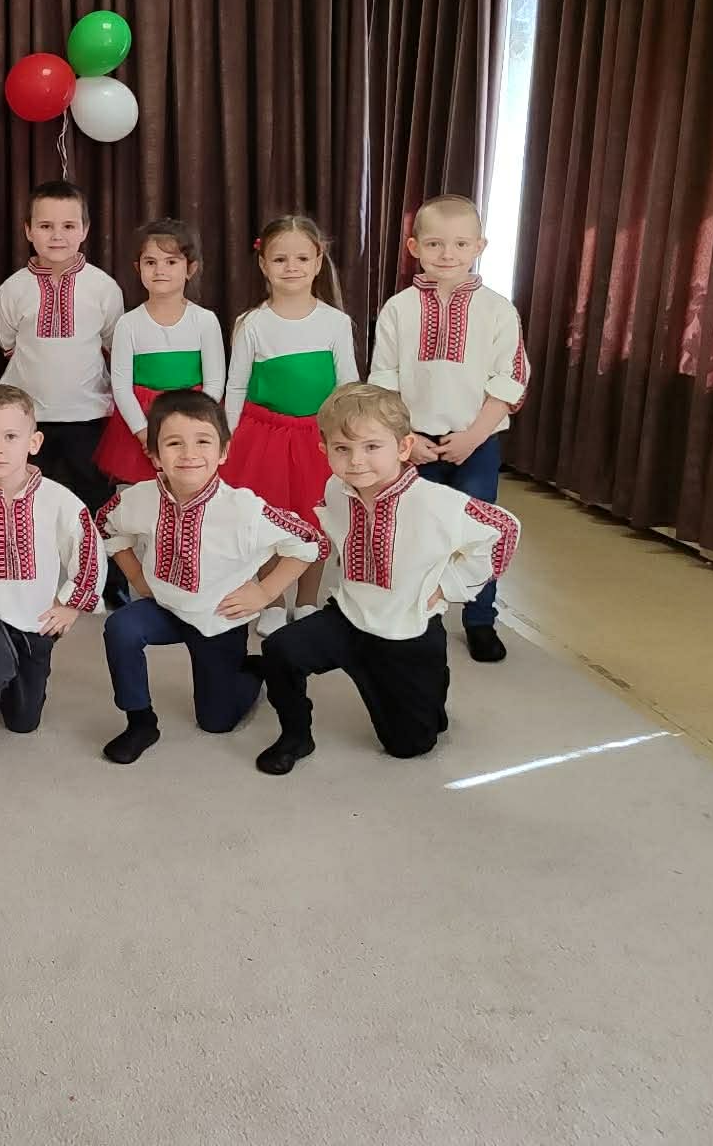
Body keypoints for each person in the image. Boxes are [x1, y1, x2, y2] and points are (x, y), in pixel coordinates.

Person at [255, 383, 522, 775]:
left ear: (403, 446)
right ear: (324, 450)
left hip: (405, 631)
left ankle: (428, 693)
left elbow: (503, 529)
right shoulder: (336, 488)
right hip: (348, 616)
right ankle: (296, 735)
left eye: (371, 447)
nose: (356, 461)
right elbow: (329, 527)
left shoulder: (435, 502)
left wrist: (448, 587)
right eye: (342, 448)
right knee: (280, 649)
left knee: (410, 744)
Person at [94, 390, 325, 765]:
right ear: (155, 455)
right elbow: (106, 524)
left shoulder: (244, 509)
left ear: (223, 452)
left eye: (203, 441)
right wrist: (136, 576)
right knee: (121, 627)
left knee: (216, 722)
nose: (189, 454)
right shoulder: (139, 498)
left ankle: (251, 670)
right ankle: (140, 722)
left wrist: (265, 591)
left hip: (219, 618)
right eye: (174, 443)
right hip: (165, 607)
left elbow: (309, 541)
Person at [368, 194, 530, 663]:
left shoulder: (497, 309)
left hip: (476, 442)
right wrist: (406, 439)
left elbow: (510, 378)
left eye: (461, 244)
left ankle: (480, 619)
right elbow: (384, 378)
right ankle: (417, 611)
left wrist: (474, 436)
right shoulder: (399, 308)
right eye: (435, 243)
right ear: (414, 246)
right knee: (415, 528)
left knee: (478, 529)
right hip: (413, 442)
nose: (447, 254)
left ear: (480, 246)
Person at [0, 385, 103, 768]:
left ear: (34, 442)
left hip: (37, 617)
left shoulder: (59, 501)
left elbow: (87, 548)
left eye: (11, 436)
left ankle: (10, 680)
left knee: (24, 722)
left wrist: (72, 604)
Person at [0, 181, 125, 523]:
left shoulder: (104, 288)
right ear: (28, 230)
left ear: (85, 230)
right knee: (30, 503)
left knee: (96, 500)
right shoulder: (12, 290)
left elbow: (112, 344)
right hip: (27, 418)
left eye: (68, 226)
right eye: (45, 226)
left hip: (89, 415)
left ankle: (101, 560)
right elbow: (8, 345)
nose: (56, 236)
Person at [221, 216, 360, 528]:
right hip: (262, 441)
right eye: (280, 259)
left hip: (318, 438)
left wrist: (350, 433)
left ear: (318, 262)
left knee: (318, 521)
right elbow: (237, 386)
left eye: (302, 259)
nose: (291, 267)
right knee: (265, 521)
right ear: (263, 265)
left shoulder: (335, 322)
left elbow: (347, 386)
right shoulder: (251, 323)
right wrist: (227, 435)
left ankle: (311, 563)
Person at [94, 218, 227, 487]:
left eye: (171, 262)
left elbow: (214, 383)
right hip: (141, 421)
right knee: (139, 495)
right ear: (139, 268)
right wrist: (145, 433)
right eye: (150, 262)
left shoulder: (205, 320)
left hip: (193, 418)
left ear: (190, 268)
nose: (160, 270)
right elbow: (120, 387)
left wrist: (191, 426)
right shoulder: (128, 324)